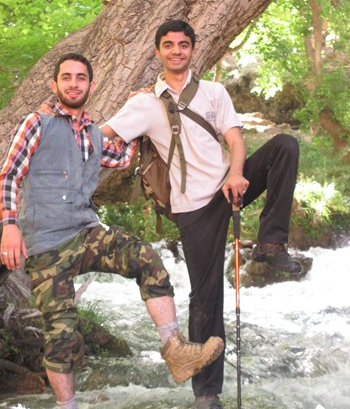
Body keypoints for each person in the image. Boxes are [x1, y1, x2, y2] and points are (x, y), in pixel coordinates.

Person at [0, 52, 224, 409]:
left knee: (145, 257)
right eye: (67, 77)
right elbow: (9, 175)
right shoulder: (36, 123)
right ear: (54, 85)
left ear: (91, 86)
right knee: (61, 336)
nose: (74, 84)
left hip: (86, 232)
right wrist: (10, 225)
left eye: (81, 78)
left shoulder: (91, 134)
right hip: (45, 245)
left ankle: (175, 348)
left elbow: (120, 158)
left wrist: (136, 111)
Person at [101, 21, 301, 409]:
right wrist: (57, 123)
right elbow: (101, 134)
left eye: (183, 44)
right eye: (168, 45)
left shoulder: (214, 92)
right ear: (158, 52)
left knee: (284, 146)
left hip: (228, 187)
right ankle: (207, 393)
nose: (176, 51)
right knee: (206, 295)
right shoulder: (144, 104)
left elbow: (235, 139)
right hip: (192, 209)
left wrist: (237, 173)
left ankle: (271, 244)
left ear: (193, 49)